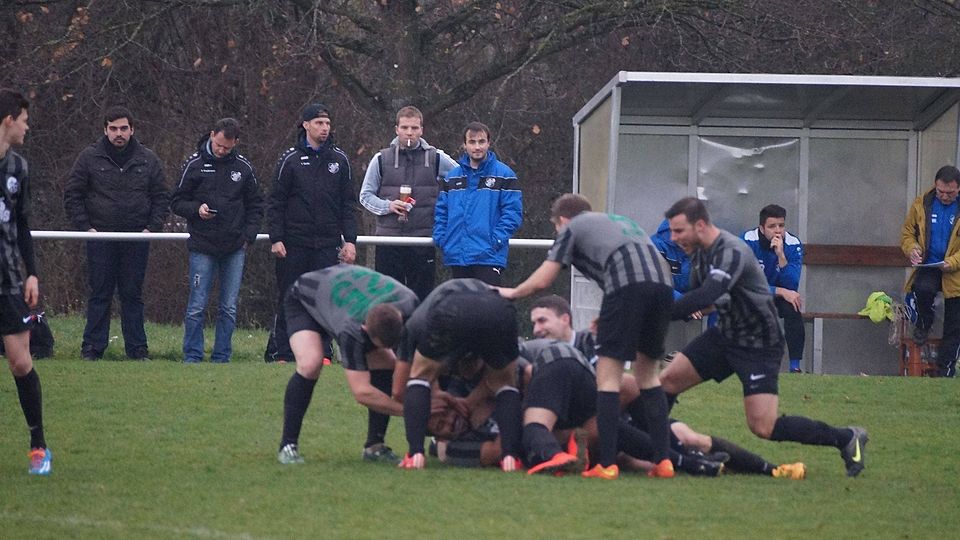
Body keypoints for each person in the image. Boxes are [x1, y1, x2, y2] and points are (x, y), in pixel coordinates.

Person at [661, 197, 869, 477]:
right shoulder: (699, 255)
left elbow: (707, 294)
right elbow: (710, 301)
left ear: (699, 225)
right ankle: (659, 452)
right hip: (727, 334)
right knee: (668, 382)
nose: (673, 239)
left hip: (759, 342)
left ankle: (846, 437)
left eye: (678, 231)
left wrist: (656, 313)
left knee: (763, 426)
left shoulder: (731, 249)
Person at [498, 193, 675, 480]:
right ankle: (663, 461)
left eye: (556, 227)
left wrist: (513, 292)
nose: (559, 233)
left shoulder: (572, 227)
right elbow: (633, 267)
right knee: (648, 376)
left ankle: (606, 464)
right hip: (663, 288)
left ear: (563, 220)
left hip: (626, 289)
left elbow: (544, 279)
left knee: (607, 379)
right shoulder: (617, 222)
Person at [277, 264, 419, 465]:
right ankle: (287, 445)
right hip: (305, 297)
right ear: (365, 329)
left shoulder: (411, 305)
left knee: (386, 362)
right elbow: (362, 392)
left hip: (342, 295)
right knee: (311, 363)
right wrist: (413, 412)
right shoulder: (352, 329)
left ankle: (374, 447)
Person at [63, 106, 169, 360]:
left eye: (123, 128)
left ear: (132, 129)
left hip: (136, 238)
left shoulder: (148, 159)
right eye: (113, 128)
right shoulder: (89, 158)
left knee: (132, 294)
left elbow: (162, 198)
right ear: (105, 130)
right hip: (100, 238)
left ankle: (137, 349)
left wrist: (151, 229)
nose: (118, 133)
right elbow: (72, 195)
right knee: (100, 293)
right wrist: (86, 228)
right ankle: (92, 348)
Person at [265, 103, 358, 364]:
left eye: (327, 123)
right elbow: (275, 203)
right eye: (319, 123)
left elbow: (348, 206)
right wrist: (276, 237)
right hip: (293, 244)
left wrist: (350, 240)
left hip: (327, 245)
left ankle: (322, 353)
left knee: (324, 299)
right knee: (289, 297)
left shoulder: (340, 160)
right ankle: (282, 353)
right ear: (305, 125)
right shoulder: (290, 160)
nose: (325, 128)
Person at [398, 278, 524, 470]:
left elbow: (399, 391)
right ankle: (510, 457)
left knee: (419, 378)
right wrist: (442, 394)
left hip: (451, 310)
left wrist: (430, 395)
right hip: (499, 309)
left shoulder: (414, 327)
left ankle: (415, 455)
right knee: (506, 383)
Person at [170, 118, 264, 363]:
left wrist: (248, 236)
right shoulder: (194, 164)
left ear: (236, 143)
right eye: (220, 145)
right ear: (212, 135)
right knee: (197, 305)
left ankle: (222, 356)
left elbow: (256, 205)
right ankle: (192, 355)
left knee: (229, 307)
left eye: (228, 147)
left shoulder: (244, 168)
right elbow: (177, 201)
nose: (222, 150)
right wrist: (196, 209)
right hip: (202, 245)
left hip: (234, 247)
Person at [0, 88, 51, 475]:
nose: (27, 126)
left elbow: (22, 225)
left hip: (9, 282)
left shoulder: (19, 168)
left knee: (20, 362)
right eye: (24, 119)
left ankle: (38, 445)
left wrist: (31, 272)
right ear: (8, 120)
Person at [359, 106, 458, 301]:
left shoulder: (436, 157)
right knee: (387, 299)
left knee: (421, 299)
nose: (409, 132)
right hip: (388, 240)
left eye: (414, 128)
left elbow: (462, 181)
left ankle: (417, 333)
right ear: (396, 129)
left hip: (422, 239)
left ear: (422, 130)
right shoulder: (381, 158)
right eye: (405, 127)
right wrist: (388, 206)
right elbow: (365, 196)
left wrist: (444, 211)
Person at [433, 122, 522, 286]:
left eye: (481, 141)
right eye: (472, 142)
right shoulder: (452, 177)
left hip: (489, 256)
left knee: (487, 308)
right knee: (462, 309)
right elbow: (441, 212)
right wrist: (441, 239)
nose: (477, 147)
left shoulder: (505, 175)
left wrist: (496, 241)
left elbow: (513, 214)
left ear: (489, 143)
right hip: (457, 254)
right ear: (464, 144)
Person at [901, 165, 960, 378]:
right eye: (940, 191)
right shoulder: (922, 204)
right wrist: (913, 249)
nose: (944, 196)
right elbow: (908, 234)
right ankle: (924, 322)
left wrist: (952, 262)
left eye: (950, 193)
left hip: (955, 270)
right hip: (930, 265)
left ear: (958, 189)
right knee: (922, 289)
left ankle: (945, 371)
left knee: (955, 324)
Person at [742, 204, 805, 373]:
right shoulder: (747, 241)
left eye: (781, 226)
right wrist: (781, 291)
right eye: (772, 226)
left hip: (777, 296)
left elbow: (791, 286)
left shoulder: (792, 244)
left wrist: (781, 256)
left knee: (794, 307)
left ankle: (795, 367)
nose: (777, 231)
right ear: (762, 228)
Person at [529, 294, 595, 360]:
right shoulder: (535, 358)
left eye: (542, 321)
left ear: (565, 320)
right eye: (534, 324)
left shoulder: (592, 346)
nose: (536, 330)